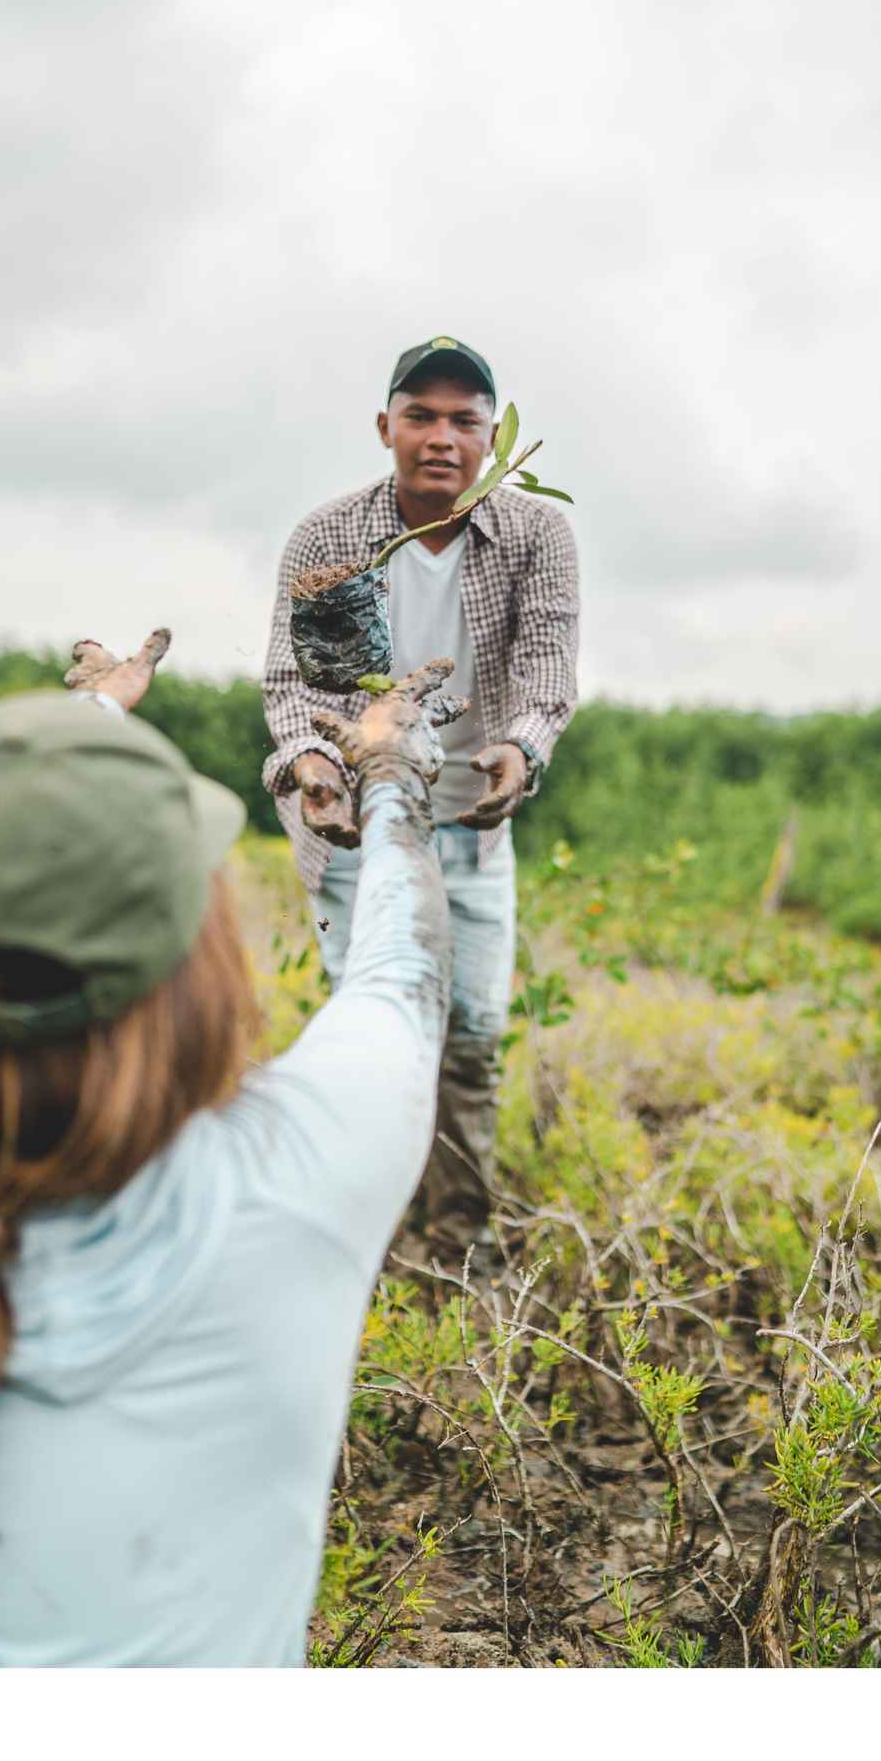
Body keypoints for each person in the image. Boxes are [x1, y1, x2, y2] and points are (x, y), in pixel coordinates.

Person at [0, 637, 461, 1666]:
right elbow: (402, 969)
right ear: (192, 971)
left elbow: (0, 887)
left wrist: (98, 717)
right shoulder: (290, 1191)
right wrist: (391, 773)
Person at [259, 334, 577, 1233]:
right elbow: (290, 685)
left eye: (465, 420)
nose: (443, 437)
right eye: (422, 416)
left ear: (491, 436)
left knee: (472, 1032)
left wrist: (523, 749)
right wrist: (312, 764)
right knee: (374, 1028)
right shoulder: (326, 536)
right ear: (385, 427)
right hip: (352, 822)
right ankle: (368, 1224)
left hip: (472, 821)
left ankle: (460, 1235)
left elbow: (549, 667)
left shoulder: (537, 533)